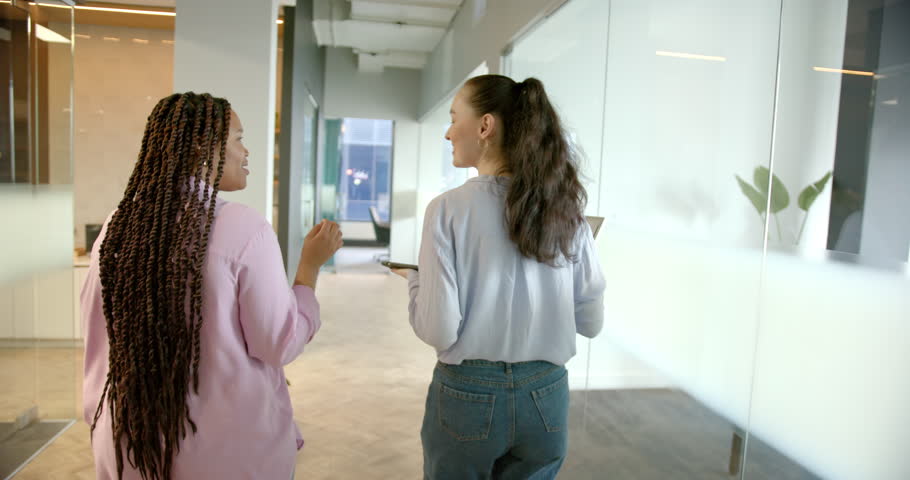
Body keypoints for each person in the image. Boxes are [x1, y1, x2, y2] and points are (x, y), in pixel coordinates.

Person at [81, 92, 342, 480]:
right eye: (238, 138)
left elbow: (98, 343)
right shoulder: (243, 228)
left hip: (129, 447)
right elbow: (279, 342)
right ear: (205, 148)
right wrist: (309, 269)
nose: (247, 151)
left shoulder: (118, 227)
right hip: (223, 456)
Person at [392, 74, 606, 479]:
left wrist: (414, 281)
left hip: (468, 395)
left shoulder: (448, 209)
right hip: (546, 396)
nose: (448, 132)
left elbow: (440, 330)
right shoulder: (567, 211)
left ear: (485, 126)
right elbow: (591, 323)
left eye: (454, 118)